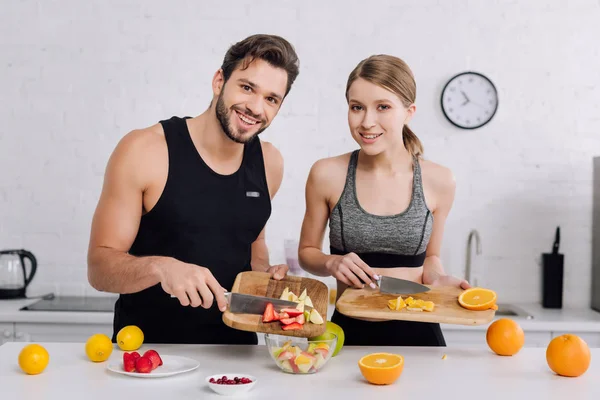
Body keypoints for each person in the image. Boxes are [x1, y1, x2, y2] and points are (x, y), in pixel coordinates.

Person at [87, 34, 300, 345]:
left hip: (237, 360)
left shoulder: (270, 162)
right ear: (219, 81)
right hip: (148, 356)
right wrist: (160, 267)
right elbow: (99, 267)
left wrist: (265, 276)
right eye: (246, 87)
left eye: (271, 99)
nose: (256, 107)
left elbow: (254, 248)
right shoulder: (145, 150)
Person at [298, 54, 470, 346]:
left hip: (420, 336)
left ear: (409, 111)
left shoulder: (439, 181)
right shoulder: (327, 174)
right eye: (357, 107)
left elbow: (430, 258)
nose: (367, 122)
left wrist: (437, 278)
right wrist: (331, 263)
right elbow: (307, 251)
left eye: (383, 107)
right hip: (345, 335)